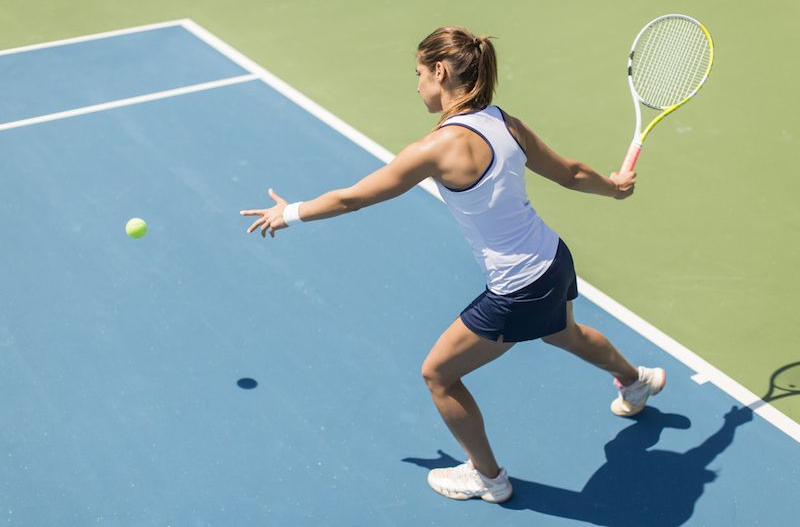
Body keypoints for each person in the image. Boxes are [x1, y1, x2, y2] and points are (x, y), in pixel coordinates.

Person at [240, 25, 666, 504]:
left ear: (439, 72)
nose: (417, 83)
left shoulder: (435, 148)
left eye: (419, 73)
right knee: (563, 332)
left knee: (438, 375)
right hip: (552, 260)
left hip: (517, 288)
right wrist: (613, 187)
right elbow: (571, 173)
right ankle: (637, 380)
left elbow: (353, 198)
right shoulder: (505, 122)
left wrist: (290, 212)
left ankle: (489, 477)